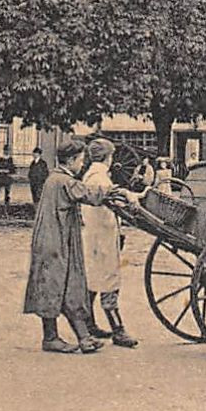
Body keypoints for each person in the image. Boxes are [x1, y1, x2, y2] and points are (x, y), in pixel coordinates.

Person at [23, 139, 103, 354]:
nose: (82, 164)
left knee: (68, 284)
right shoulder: (64, 181)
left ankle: (84, 338)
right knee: (55, 285)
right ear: (71, 160)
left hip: (55, 237)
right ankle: (50, 338)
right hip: (55, 240)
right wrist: (116, 192)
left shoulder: (55, 178)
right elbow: (91, 195)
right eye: (81, 160)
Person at [80, 138, 140, 348]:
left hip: (96, 234)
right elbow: (117, 197)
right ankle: (118, 330)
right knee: (109, 278)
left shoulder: (93, 174)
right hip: (102, 236)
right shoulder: (99, 177)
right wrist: (135, 199)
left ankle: (88, 324)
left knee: (94, 276)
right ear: (108, 157)